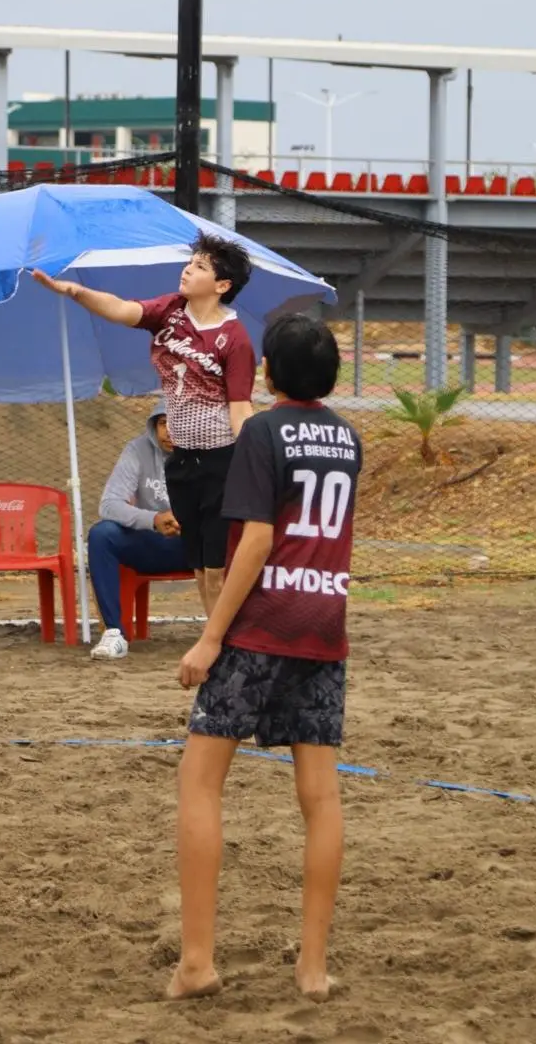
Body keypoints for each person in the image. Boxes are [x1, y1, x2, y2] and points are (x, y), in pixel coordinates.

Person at [167, 312, 362, 1003]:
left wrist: (211, 634)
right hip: (324, 623)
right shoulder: (347, 436)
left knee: (200, 781)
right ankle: (312, 970)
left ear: (269, 373)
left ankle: (196, 963)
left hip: (262, 625)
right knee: (321, 797)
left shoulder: (262, 432)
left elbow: (254, 543)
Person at [33, 231, 256, 619]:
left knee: (217, 569)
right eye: (190, 262)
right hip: (182, 463)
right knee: (201, 569)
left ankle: (224, 644)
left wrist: (254, 466)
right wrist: (74, 293)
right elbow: (121, 309)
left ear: (222, 285)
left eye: (199, 267)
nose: (187, 270)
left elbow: (240, 409)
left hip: (221, 461)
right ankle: (215, 639)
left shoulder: (234, 339)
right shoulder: (169, 312)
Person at [88, 399, 189, 662]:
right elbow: (109, 504)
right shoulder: (137, 450)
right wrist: (152, 519)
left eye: (176, 423)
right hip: (151, 542)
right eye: (163, 423)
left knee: (238, 534)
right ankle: (114, 633)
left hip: (196, 544)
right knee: (102, 534)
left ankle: (233, 636)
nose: (169, 431)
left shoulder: (206, 451)